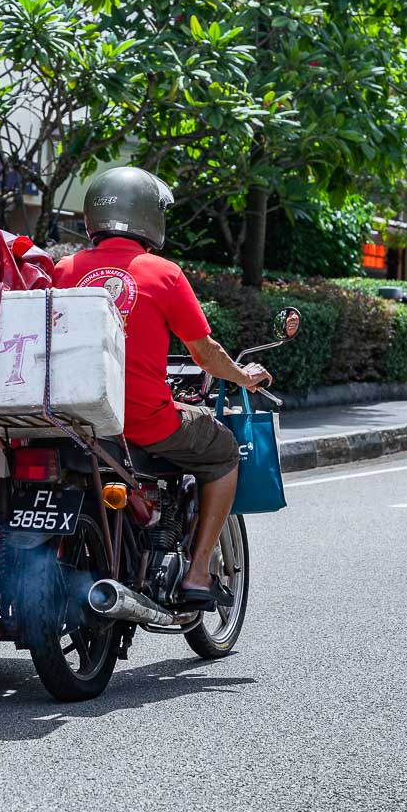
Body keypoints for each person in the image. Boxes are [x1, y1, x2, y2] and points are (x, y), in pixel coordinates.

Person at [52, 167, 271, 610]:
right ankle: (198, 573)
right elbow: (205, 353)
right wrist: (243, 376)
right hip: (142, 423)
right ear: (149, 216)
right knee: (223, 450)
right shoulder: (163, 273)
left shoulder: (63, 269)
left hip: (71, 420)